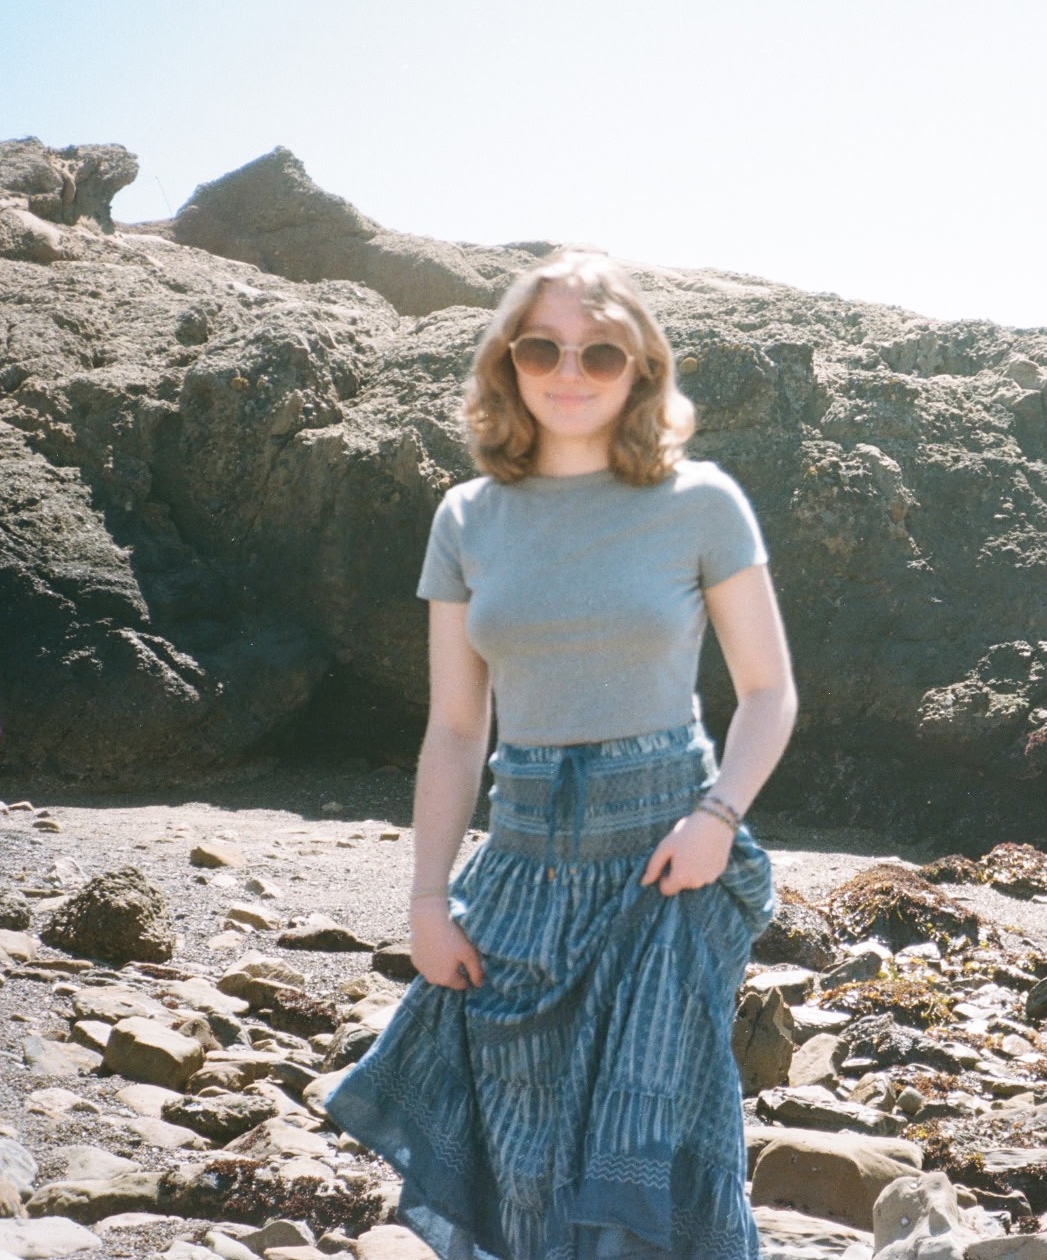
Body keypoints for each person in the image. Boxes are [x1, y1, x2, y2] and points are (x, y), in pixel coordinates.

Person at [327, 249, 796, 1259]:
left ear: (642, 368)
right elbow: (458, 728)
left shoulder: (702, 501)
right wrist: (426, 900)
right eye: (542, 347)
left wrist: (717, 819)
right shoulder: (466, 517)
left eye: (601, 351)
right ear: (507, 361)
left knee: (661, 1156)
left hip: (667, 866)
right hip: (521, 867)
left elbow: (770, 692)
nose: (569, 371)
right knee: (525, 1167)